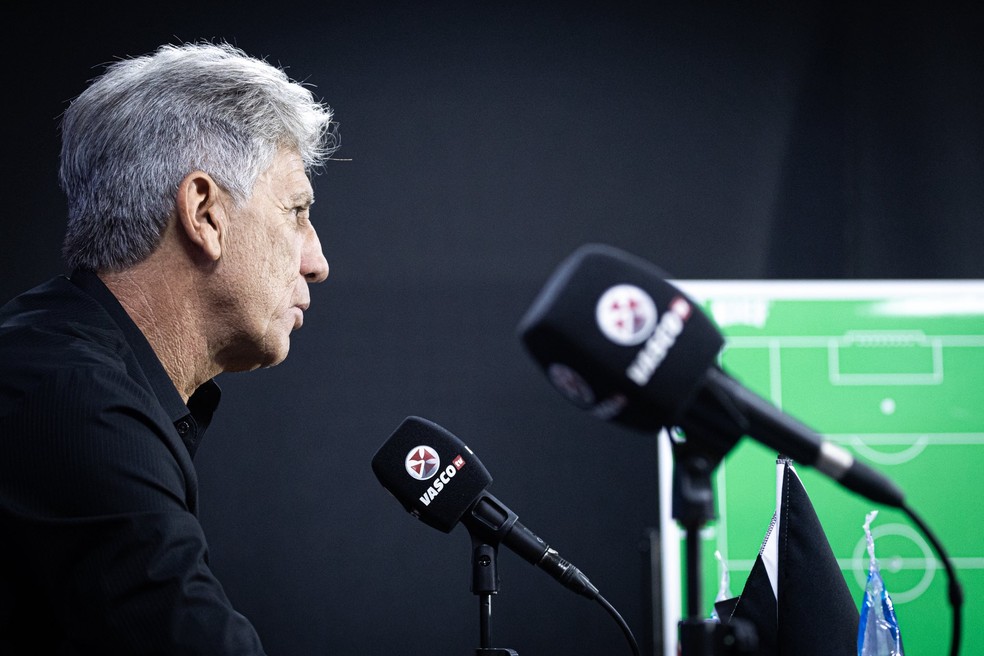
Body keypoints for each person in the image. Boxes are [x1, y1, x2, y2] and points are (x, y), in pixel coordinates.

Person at [0, 40, 338, 654]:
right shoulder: (75, 400)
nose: (317, 262)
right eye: (296, 211)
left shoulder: (61, 361)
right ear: (204, 213)